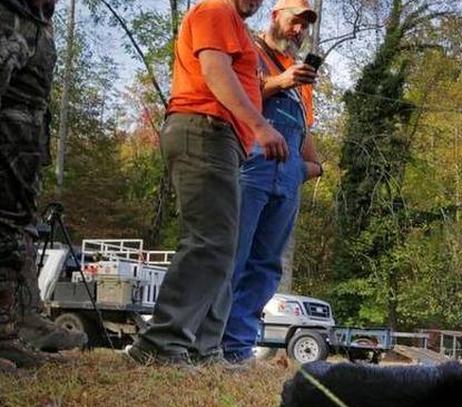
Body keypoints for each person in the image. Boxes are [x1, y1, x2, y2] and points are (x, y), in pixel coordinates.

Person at [126, 0, 287, 366]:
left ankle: (202, 349)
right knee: (209, 241)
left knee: (222, 245)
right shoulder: (215, 9)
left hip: (221, 139)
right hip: (204, 128)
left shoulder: (233, 24)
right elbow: (215, 72)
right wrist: (260, 125)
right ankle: (160, 342)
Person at [221, 0, 322, 365]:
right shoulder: (249, 49)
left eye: (305, 26)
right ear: (275, 16)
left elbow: (303, 129)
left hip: (287, 177)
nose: (299, 30)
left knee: (266, 265)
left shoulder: (300, 78)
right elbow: (231, 97)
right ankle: (207, 342)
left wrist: (310, 167)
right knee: (233, 255)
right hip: (252, 165)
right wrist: (280, 82)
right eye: (295, 21)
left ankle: (237, 348)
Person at [0, 0, 77, 369]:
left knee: (17, 232)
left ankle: (17, 325)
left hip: (24, 144)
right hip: (8, 137)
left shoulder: (38, 20)